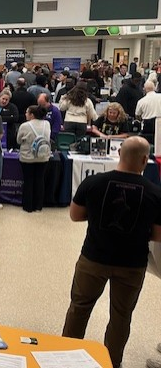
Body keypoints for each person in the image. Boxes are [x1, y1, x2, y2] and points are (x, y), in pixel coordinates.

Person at [62, 137, 161, 368]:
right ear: (145, 160)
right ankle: (111, 363)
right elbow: (157, 235)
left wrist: (97, 219)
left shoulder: (94, 183)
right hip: (132, 265)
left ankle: (64, 357)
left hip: (93, 259)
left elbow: (75, 215)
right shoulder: (155, 193)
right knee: (121, 317)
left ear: (119, 154)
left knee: (79, 309)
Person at [16, 105, 51, 213]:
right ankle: (38, 206)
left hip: (27, 158)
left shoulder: (24, 126)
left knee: (28, 181)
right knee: (40, 180)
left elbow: (18, 140)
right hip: (43, 157)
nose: (25, 114)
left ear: (32, 115)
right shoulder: (47, 124)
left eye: (27, 112)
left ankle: (28, 206)